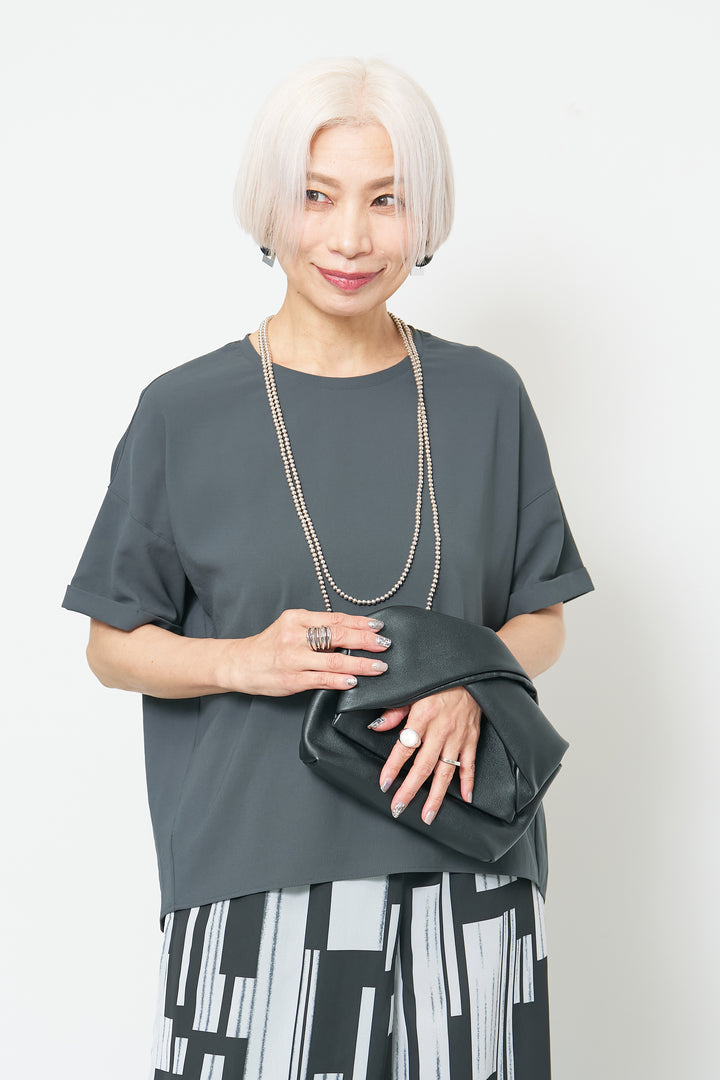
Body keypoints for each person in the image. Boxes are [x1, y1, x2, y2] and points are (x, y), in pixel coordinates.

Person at [63, 57, 593, 1080]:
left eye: (386, 200)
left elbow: (543, 616)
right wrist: (241, 660)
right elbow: (112, 645)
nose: (351, 237)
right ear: (271, 204)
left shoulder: (485, 398)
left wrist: (472, 681)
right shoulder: (184, 411)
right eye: (317, 196)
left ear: (424, 214)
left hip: (468, 866)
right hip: (255, 874)